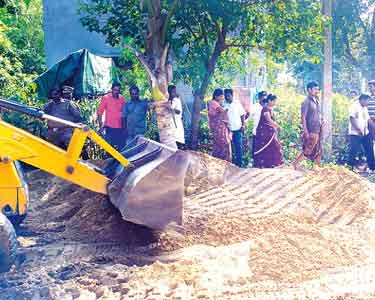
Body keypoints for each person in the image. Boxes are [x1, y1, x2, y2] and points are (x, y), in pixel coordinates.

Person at [292, 81, 322, 170]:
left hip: (318, 128)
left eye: (317, 89)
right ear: (309, 90)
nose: (317, 91)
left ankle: (317, 167)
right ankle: (295, 163)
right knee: (309, 148)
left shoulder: (316, 101)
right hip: (311, 129)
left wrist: (321, 120)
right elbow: (303, 117)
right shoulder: (306, 102)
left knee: (318, 148)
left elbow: (318, 114)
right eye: (315, 89)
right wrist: (306, 131)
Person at [253, 94, 283, 168]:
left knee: (274, 147)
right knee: (272, 147)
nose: (275, 103)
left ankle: (272, 164)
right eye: (274, 101)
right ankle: (264, 165)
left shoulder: (270, 109)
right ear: (269, 101)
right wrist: (278, 127)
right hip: (264, 133)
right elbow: (269, 120)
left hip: (270, 133)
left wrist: (276, 128)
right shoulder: (265, 109)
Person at [348, 94, 375, 172]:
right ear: (362, 100)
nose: (368, 103)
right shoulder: (354, 106)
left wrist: (372, 129)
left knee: (369, 148)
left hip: (365, 132)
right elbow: (352, 118)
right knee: (354, 150)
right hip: (355, 133)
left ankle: (372, 167)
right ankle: (349, 168)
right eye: (367, 101)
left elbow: (368, 119)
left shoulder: (364, 108)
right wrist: (358, 129)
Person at [97, 82, 126, 150]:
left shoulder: (122, 98)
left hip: (119, 128)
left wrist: (125, 127)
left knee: (120, 149)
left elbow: (124, 113)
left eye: (118, 90)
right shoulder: (105, 98)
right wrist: (100, 127)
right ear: (112, 89)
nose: (116, 92)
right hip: (109, 127)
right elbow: (99, 113)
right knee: (109, 149)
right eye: (115, 90)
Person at [224, 88, 246, 167]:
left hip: (237, 129)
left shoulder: (237, 104)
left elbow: (242, 114)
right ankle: (231, 165)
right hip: (228, 130)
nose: (227, 97)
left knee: (238, 147)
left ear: (232, 95)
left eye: (228, 96)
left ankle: (239, 165)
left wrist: (243, 125)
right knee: (229, 148)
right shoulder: (224, 105)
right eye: (226, 96)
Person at [208, 89, 231, 162]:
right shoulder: (213, 103)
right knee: (222, 145)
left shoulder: (216, 103)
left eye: (222, 97)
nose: (222, 98)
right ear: (216, 96)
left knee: (222, 146)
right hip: (218, 130)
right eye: (221, 96)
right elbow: (223, 112)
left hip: (220, 129)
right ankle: (222, 163)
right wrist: (226, 110)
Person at [249, 91, 267, 160]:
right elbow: (249, 118)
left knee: (265, 150)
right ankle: (254, 165)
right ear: (259, 98)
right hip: (256, 132)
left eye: (265, 97)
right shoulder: (254, 107)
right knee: (256, 150)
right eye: (262, 97)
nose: (264, 98)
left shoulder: (268, 106)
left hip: (266, 133)